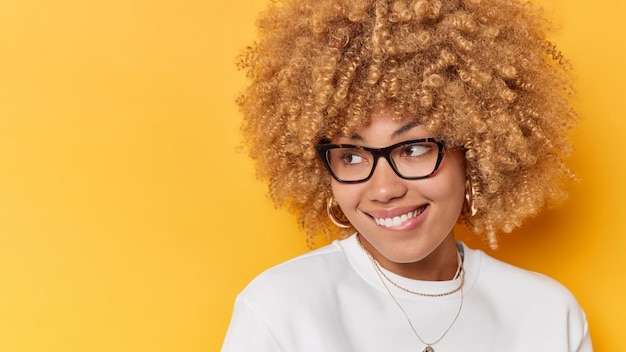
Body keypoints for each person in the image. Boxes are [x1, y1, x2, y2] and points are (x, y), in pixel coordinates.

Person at [222, 0, 592, 350]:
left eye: (413, 149)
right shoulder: (278, 310)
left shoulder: (548, 316)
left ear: (475, 153)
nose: (384, 189)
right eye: (351, 156)